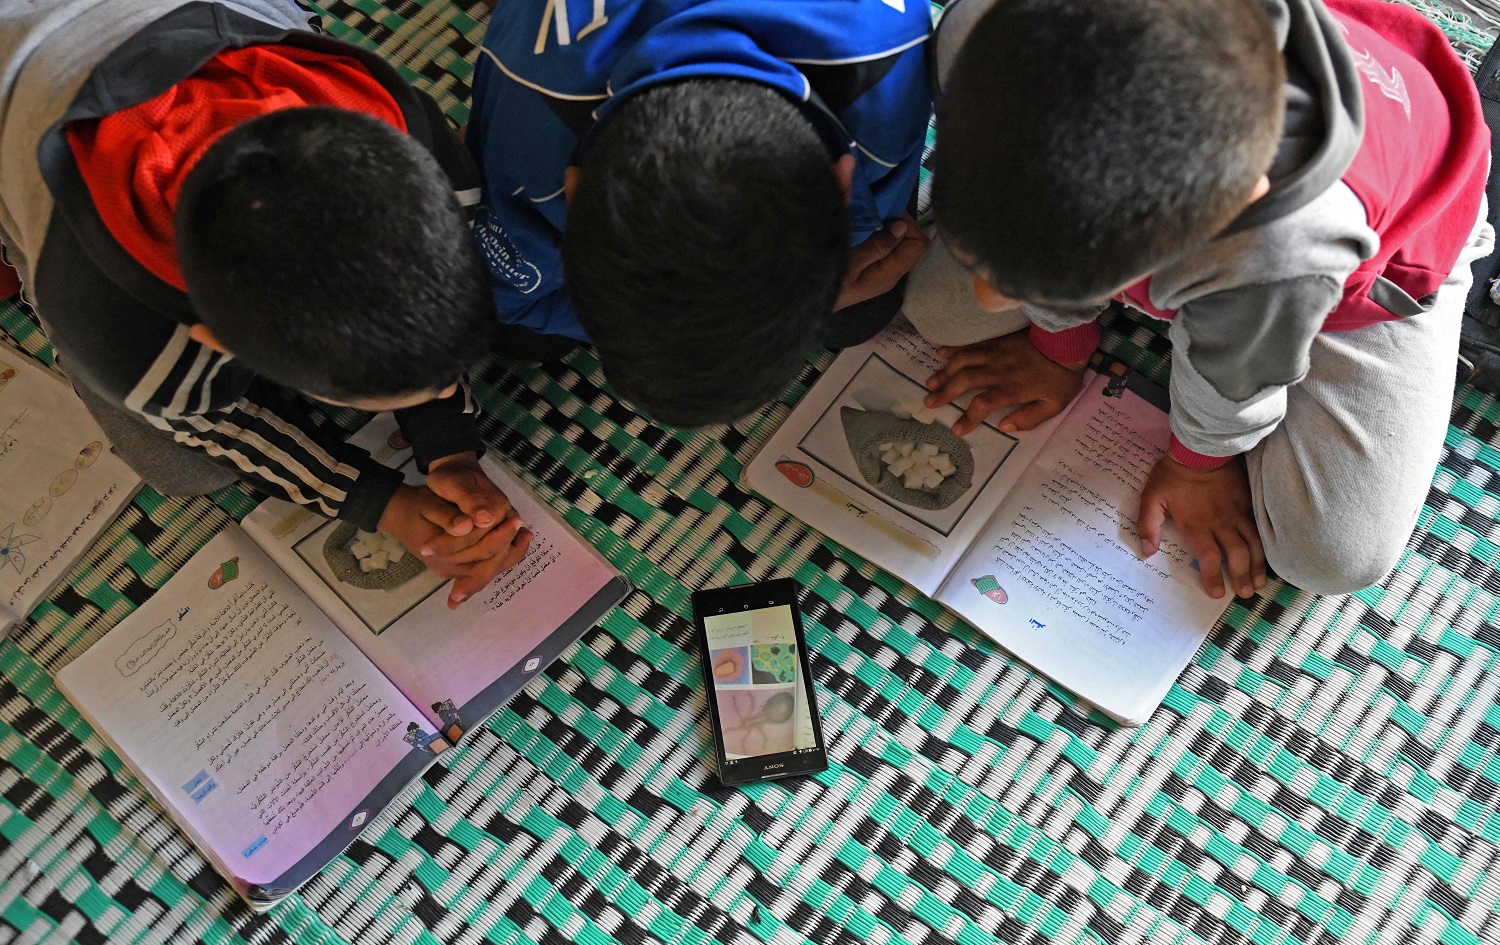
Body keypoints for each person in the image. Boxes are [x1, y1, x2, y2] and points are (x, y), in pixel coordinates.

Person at [920, 0, 1492, 599]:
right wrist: (1055, 342)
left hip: (1381, 255)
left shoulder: (1277, 246)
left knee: (1332, 558)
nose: (991, 298)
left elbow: (1239, 375)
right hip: (1215, 229)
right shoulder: (980, 27)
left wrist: (1200, 463)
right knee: (935, 312)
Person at [0, 0, 532, 608]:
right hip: (27, 114)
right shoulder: (122, 335)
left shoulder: (404, 128)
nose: (442, 393)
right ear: (214, 341)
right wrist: (378, 503)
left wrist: (449, 443)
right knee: (181, 468)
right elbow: (219, 425)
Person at [465, 0, 933, 427]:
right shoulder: (524, 129)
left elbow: (869, 241)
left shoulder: (892, 64)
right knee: (514, 334)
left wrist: (815, 300)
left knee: (856, 316)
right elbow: (506, 297)